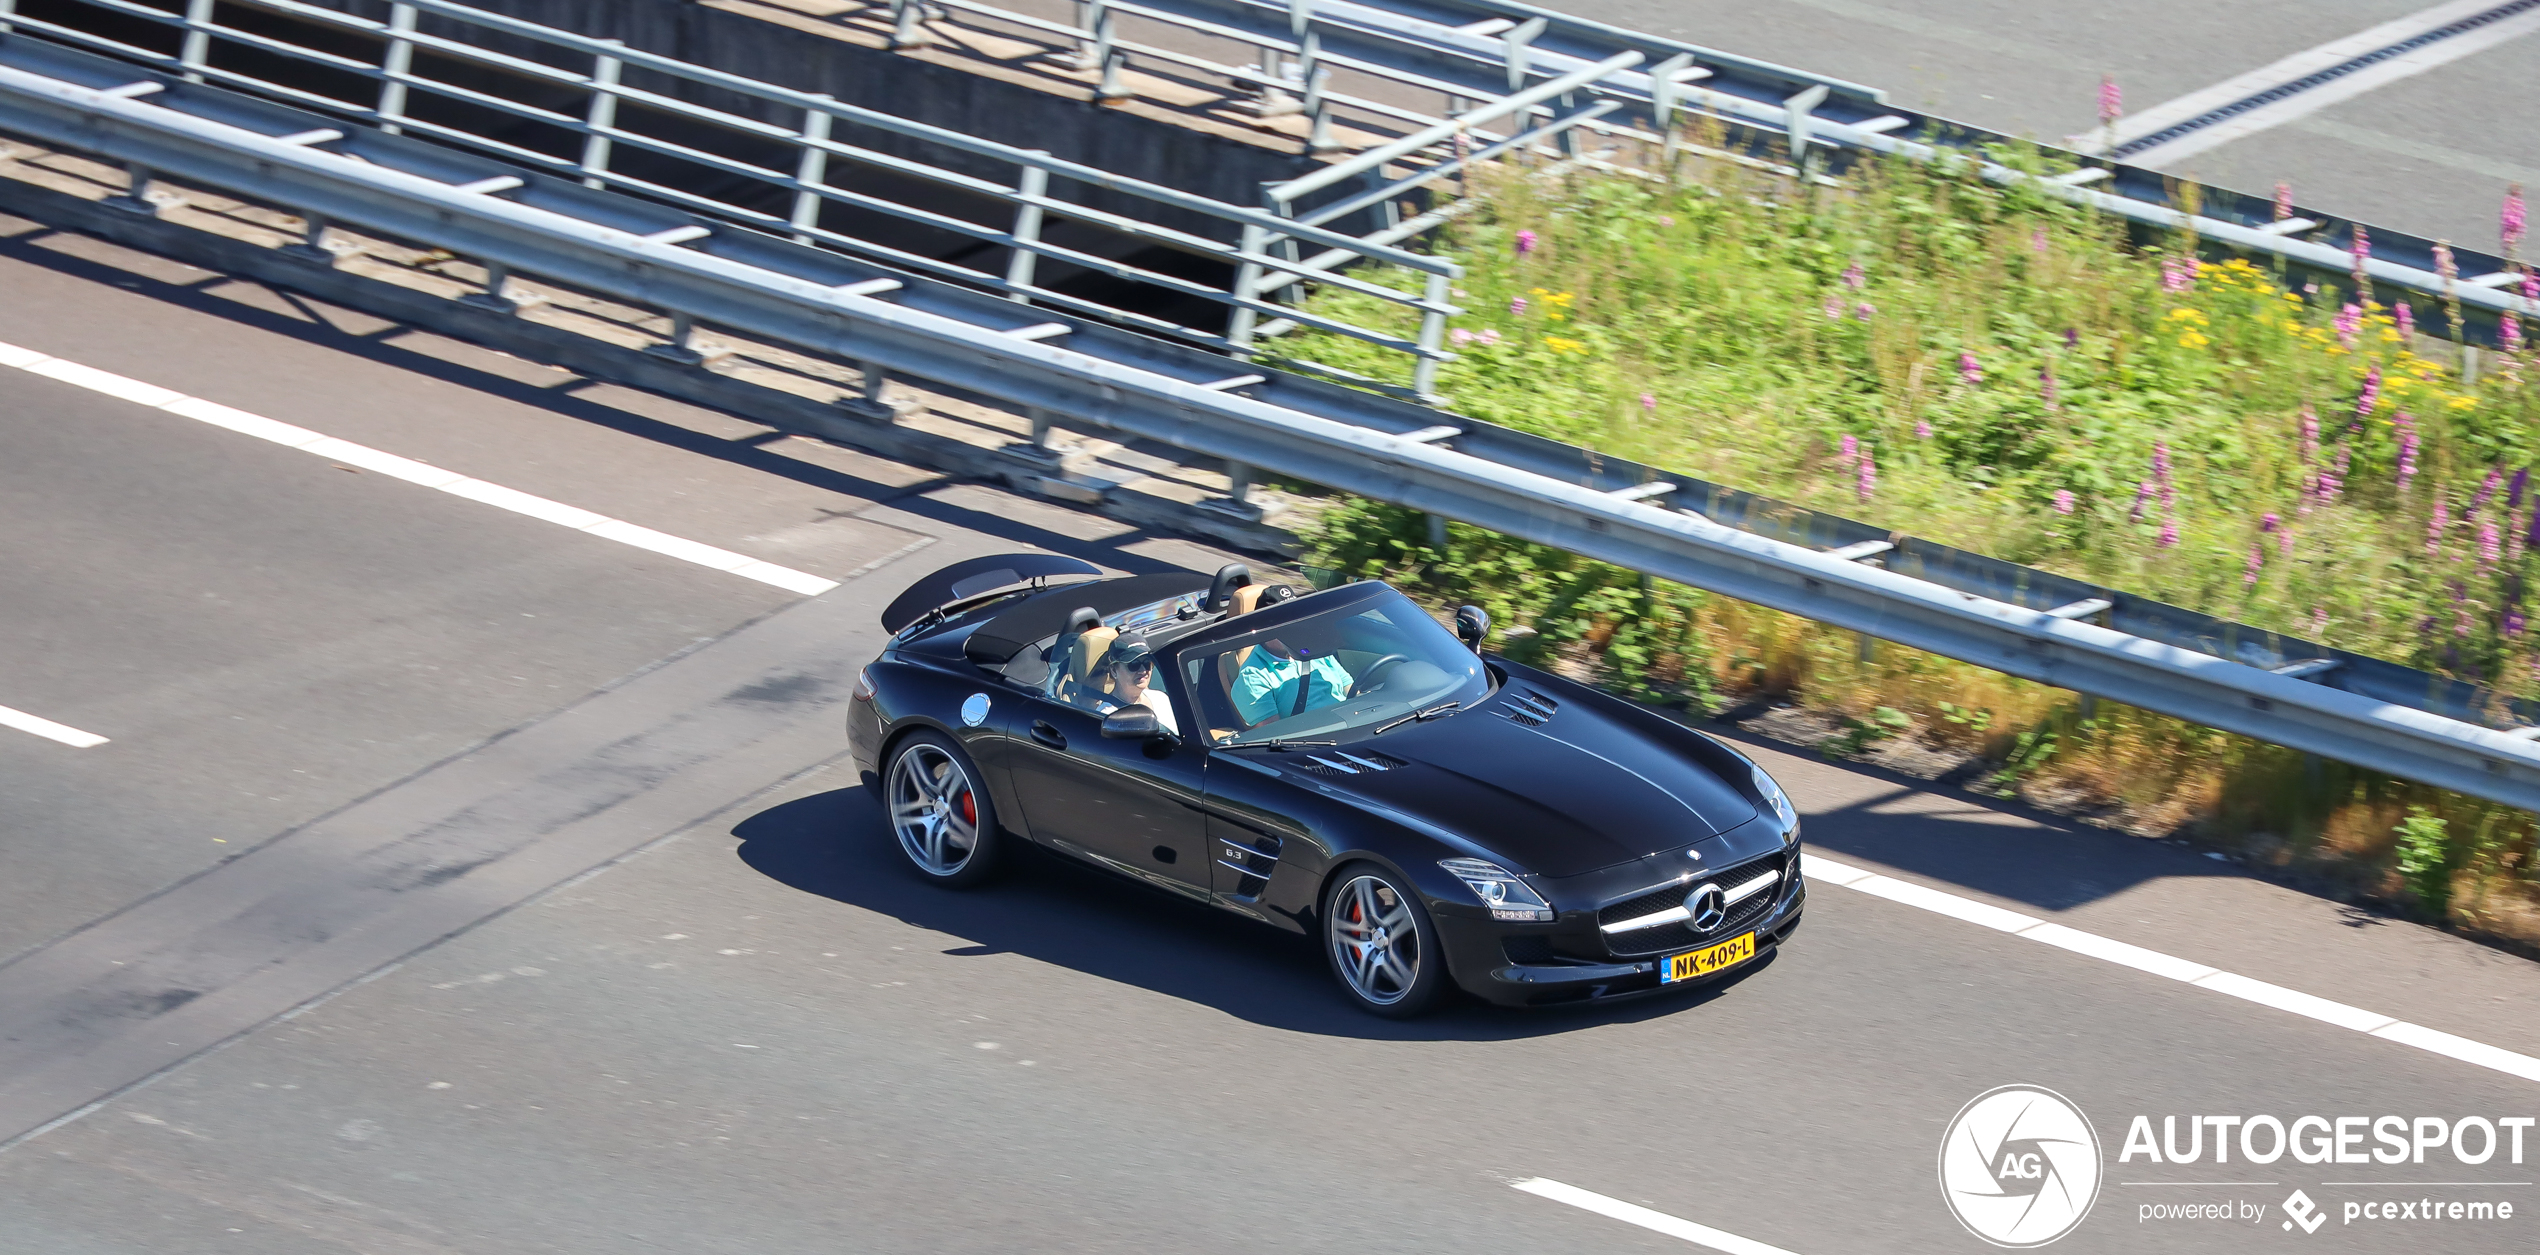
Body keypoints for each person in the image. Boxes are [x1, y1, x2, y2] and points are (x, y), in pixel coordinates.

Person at [1230, 637, 1352, 727]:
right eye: (1285, 627)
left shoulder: (1315, 649)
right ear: (1266, 632)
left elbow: (1352, 691)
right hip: (1318, 742)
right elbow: (1274, 734)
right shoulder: (1252, 677)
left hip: (1354, 724)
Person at [1093, 639, 1179, 737]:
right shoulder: (1106, 718)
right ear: (1114, 671)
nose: (1143, 670)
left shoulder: (1161, 698)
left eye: (1147, 663)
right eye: (1134, 664)